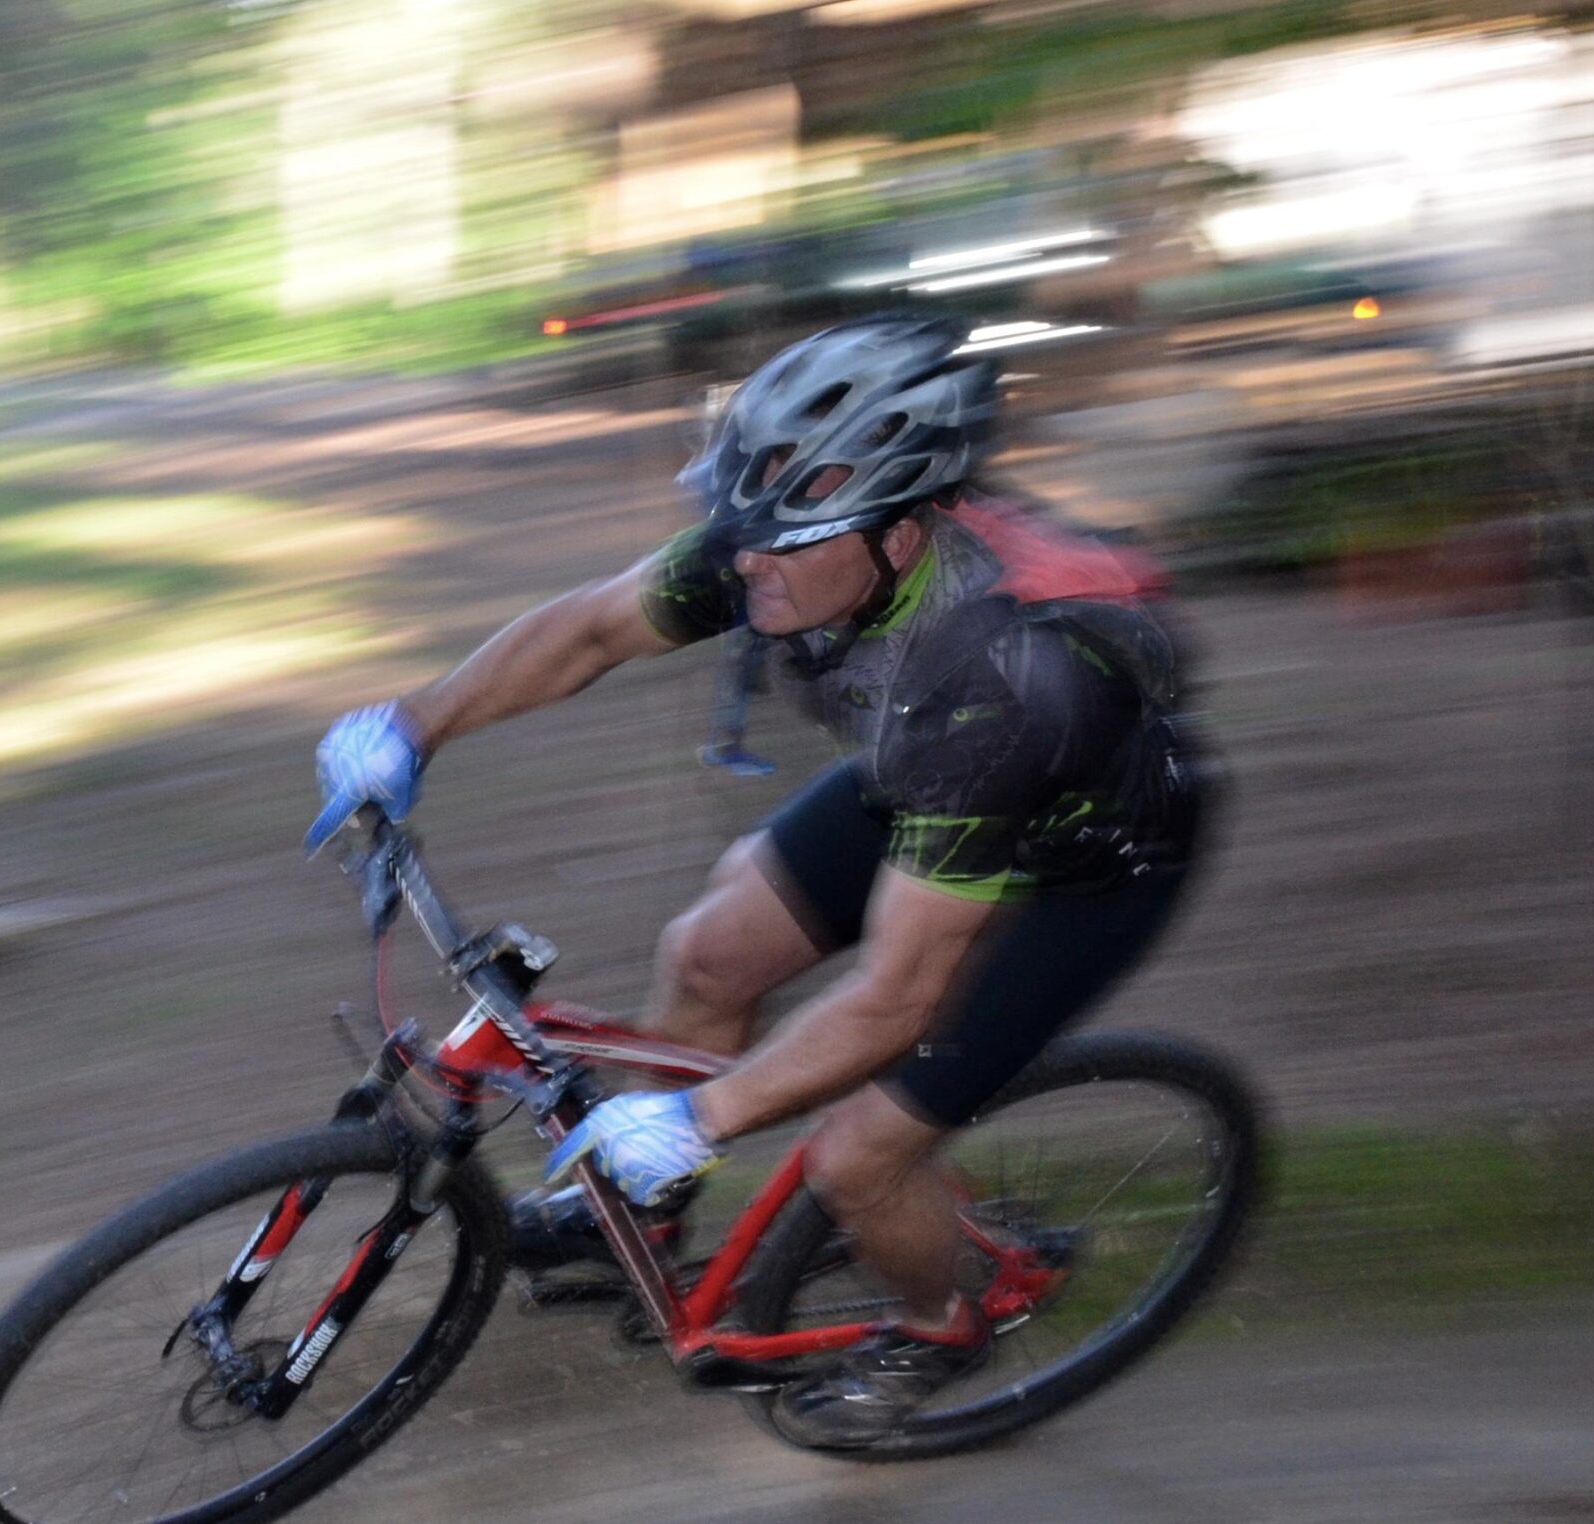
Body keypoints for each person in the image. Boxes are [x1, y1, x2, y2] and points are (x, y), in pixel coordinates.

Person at [303, 312, 1211, 1447]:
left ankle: (941, 1324)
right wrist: (413, 724)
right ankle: (640, 1225)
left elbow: (897, 997)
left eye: (784, 542)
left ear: (901, 531)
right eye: (740, 531)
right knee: (710, 950)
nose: (745, 563)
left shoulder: (999, 682)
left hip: (1087, 860)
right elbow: (589, 632)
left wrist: (702, 1113)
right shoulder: (780, 536)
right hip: (929, 783)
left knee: (858, 1153)